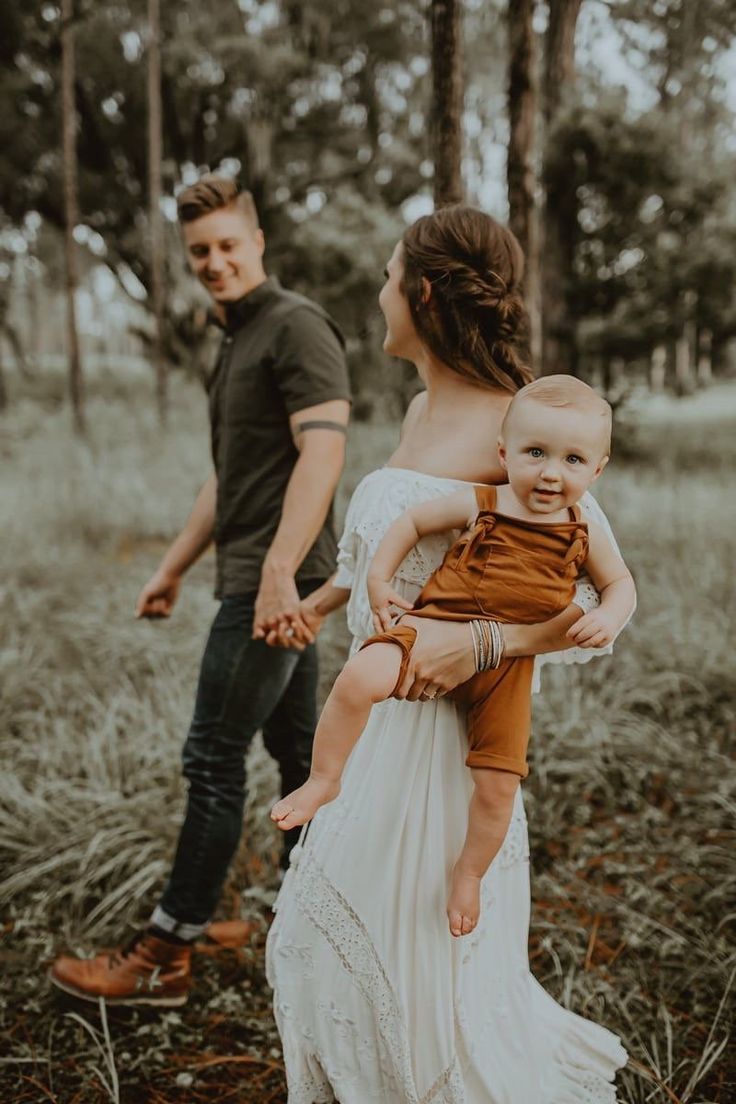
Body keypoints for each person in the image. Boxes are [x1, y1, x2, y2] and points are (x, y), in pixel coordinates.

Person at [265, 205, 630, 1101]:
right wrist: (328, 596)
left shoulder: (529, 428)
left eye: (390, 276)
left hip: (451, 741)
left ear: (422, 291)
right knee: (321, 937)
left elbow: (590, 597)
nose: (380, 293)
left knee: (424, 942)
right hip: (377, 712)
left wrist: (480, 644)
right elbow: (403, 535)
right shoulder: (423, 406)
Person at [48, 176, 351, 1006]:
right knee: (297, 758)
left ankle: (166, 953)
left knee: (212, 759)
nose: (214, 263)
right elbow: (229, 479)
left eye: (228, 245)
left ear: (258, 242)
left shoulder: (296, 327)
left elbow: (322, 454)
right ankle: (313, 919)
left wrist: (281, 572)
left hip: (274, 580)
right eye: (200, 253)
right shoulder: (234, 339)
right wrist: (174, 568)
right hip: (262, 571)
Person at [271, 376, 636, 938]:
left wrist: (609, 616)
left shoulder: (582, 526)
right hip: (432, 627)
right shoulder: (488, 501)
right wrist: (378, 574)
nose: (550, 472)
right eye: (535, 453)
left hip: (505, 672)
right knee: (358, 676)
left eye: (572, 459)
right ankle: (324, 778)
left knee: (497, 786)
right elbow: (413, 522)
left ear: (597, 469)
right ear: (503, 454)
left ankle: (468, 874)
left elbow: (621, 585)